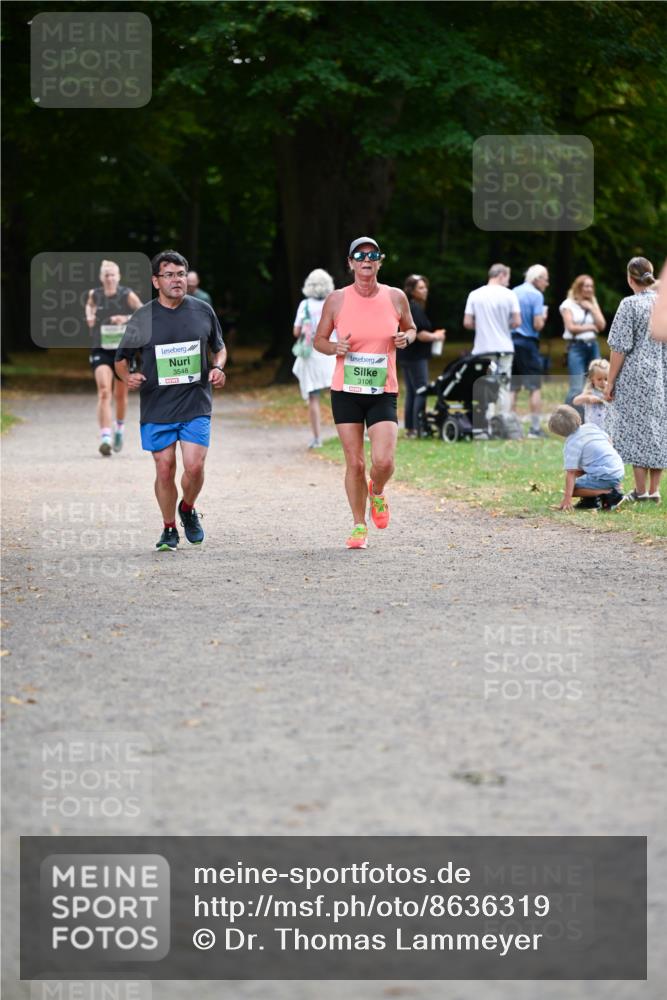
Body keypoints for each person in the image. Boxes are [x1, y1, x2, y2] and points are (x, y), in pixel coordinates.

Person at [114, 250, 226, 550]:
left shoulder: (202, 310)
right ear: (155, 281)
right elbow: (121, 360)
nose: (176, 280)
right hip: (157, 405)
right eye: (169, 275)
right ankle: (168, 528)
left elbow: (219, 347)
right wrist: (128, 378)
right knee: (164, 469)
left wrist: (217, 367)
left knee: (194, 467)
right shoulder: (143, 317)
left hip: (195, 402)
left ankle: (187, 508)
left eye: (180, 274)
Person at [313, 237, 416, 550]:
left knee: (383, 462)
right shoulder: (336, 299)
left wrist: (406, 338)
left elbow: (411, 328)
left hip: (383, 390)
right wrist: (335, 347)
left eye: (372, 255)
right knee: (355, 464)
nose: (366, 260)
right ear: (351, 263)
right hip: (346, 390)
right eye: (360, 255)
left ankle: (378, 491)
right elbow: (319, 340)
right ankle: (359, 525)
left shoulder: (396, 297)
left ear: (380, 262)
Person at [604, 256, 666, 505]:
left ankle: (640, 491)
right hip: (662, 374)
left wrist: (609, 382)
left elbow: (619, 347)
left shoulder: (629, 305)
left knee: (637, 429)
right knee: (659, 428)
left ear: (630, 279)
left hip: (636, 376)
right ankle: (655, 490)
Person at [85, 260, 142, 455]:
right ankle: (106, 437)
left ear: (118, 277)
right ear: (101, 278)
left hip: (123, 351)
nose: (109, 278)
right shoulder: (95, 295)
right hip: (101, 349)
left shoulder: (127, 295)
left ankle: (119, 428)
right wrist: (90, 316)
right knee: (103, 391)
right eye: (106, 275)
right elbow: (89, 307)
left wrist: (125, 319)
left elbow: (143, 311)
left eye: (112, 275)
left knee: (120, 395)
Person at [463, 264, 521, 416]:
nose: (508, 281)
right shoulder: (510, 295)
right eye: (507, 277)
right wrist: (504, 325)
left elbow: (467, 323)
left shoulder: (475, 294)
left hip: (483, 347)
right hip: (505, 347)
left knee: (486, 383)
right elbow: (517, 321)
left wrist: (482, 325)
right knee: (504, 385)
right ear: (501, 275)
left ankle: (487, 419)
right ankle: (502, 419)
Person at [548, 404, 624, 511]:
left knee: (572, 488)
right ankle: (590, 501)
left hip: (606, 475)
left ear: (559, 431)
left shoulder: (572, 443)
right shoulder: (590, 427)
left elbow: (571, 473)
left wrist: (567, 498)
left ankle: (610, 494)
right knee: (580, 473)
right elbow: (609, 442)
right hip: (617, 469)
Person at [292, 268, 337, 448]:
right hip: (332, 352)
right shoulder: (333, 303)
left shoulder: (305, 305)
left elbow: (296, 332)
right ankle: (353, 432)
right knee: (341, 395)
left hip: (312, 354)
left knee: (313, 397)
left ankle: (317, 438)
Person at [400, 274, 446, 438]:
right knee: (421, 390)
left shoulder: (412, 307)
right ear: (411, 291)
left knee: (412, 392)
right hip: (414, 356)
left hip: (407, 355)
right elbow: (419, 334)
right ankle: (418, 427)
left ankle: (411, 428)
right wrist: (436, 337)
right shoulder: (414, 308)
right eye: (420, 287)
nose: (425, 290)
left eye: (425, 287)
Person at [510, 264, 549, 437]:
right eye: (545, 279)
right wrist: (544, 318)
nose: (547, 283)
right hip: (528, 343)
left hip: (510, 343)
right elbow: (537, 324)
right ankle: (534, 429)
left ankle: (510, 427)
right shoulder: (536, 295)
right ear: (537, 278)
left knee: (513, 387)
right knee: (535, 387)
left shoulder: (513, 291)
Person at [559, 274, 606, 405]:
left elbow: (601, 325)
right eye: (586, 286)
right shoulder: (568, 305)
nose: (589, 289)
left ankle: (591, 416)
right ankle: (568, 416)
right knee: (577, 386)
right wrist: (591, 326)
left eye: (591, 286)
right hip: (576, 347)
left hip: (592, 345)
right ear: (579, 287)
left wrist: (591, 308)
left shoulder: (592, 303)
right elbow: (571, 327)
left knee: (597, 382)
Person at [573, 358, 610, 430]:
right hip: (592, 427)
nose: (603, 382)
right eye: (599, 379)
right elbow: (575, 401)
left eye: (606, 379)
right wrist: (588, 398)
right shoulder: (590, 391)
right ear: (592, 379)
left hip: (606, 427)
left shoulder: (609, 392)